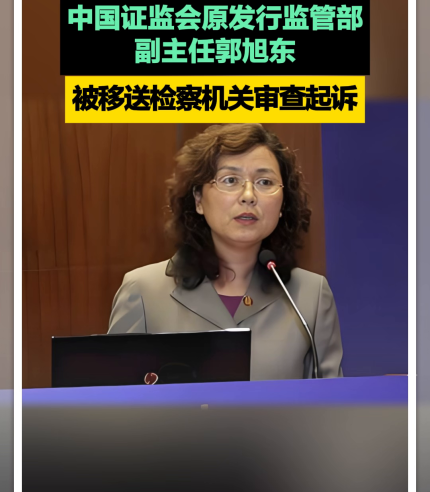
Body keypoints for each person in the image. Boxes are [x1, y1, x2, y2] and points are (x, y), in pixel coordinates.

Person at [108, 123, 343, 380]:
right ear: (198, 199)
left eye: (265, 182)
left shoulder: (310, 295)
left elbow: (331, 400)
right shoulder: (144, 292)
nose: (249, 195)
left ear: (282, 204)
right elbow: (116, 399)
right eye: (230, 180)